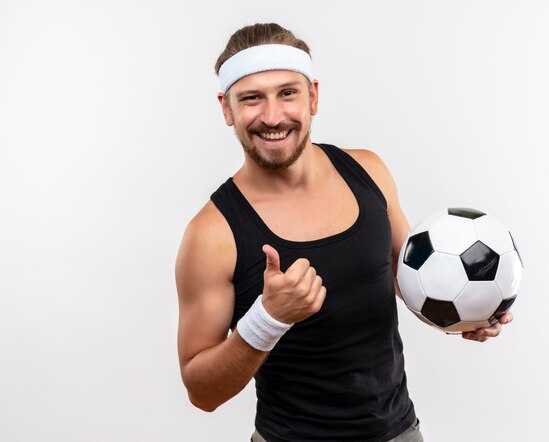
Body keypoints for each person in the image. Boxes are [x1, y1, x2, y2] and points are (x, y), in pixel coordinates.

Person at [175, 23, 513, 442]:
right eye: (251, 99)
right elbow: (201, 392)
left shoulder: (368, 171)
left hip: (400, 432)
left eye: (287, 93)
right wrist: (267, 319)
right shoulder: (211, 235)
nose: (272, 116)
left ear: (312, 96)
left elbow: (406, 276)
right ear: (227, 109)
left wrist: (464, 312)